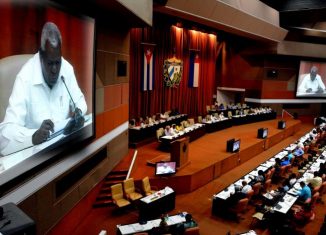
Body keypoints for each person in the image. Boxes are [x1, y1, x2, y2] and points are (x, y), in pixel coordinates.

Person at [0, 22, 86, 156]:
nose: (55, 70)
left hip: (62, 150)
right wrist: (33, 136)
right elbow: (5, 136)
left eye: (57, 63)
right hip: (34, 157)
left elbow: (80, 101)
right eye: (50, 63)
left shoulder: (66, 69)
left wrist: (79, 112)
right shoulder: (25, 77)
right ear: (40, 56)